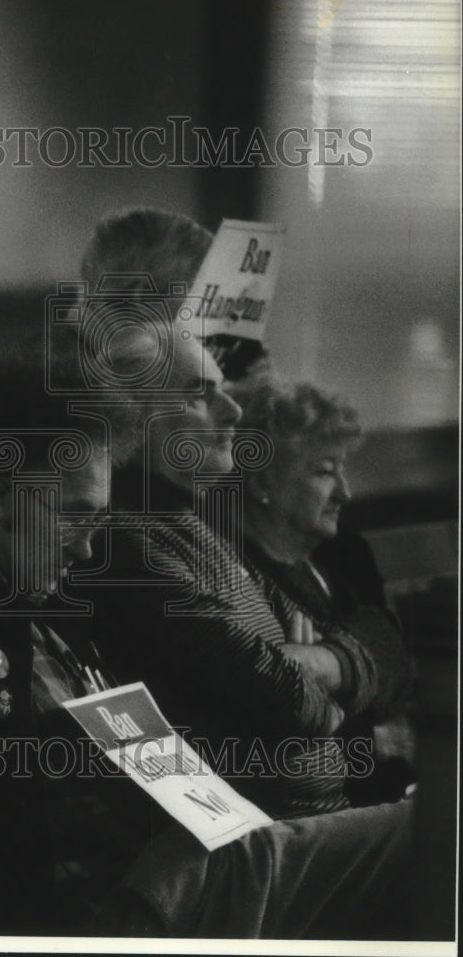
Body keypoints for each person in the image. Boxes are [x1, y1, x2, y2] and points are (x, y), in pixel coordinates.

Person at [0, 350, 415, 939]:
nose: (88, 550)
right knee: (418, 837)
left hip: (186, 864)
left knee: (418, 829)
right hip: (106, 912)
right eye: (76, 516)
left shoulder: (41, 610)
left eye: (99, 520)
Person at [76, 323, 405, 820]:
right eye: (199, 395)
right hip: (261, 843)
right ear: (131, 416)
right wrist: (327, 688)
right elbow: (286, 701)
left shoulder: (192, 526)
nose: (230, 411)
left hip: (312, 823)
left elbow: (380, 655)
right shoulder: (122, 543)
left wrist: (314, 664)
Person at [226, 374, 415, 803]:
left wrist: (332, 668)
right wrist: (376, 737)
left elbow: (393, 656)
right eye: (324, 472)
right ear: (261, 483)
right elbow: (288, 733)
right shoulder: (240, 583)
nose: (344, 493)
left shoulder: (338, 557)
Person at [79, 206, 272, 380]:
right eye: (205, 300)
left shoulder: (114, 363)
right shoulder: (81, 383)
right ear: (145, 297)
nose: (213, 324)